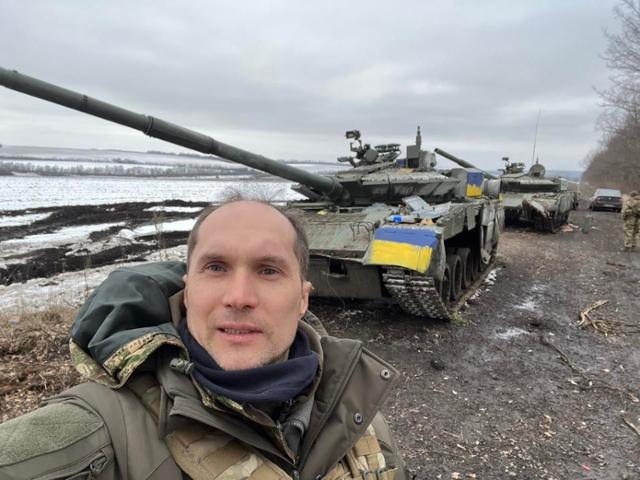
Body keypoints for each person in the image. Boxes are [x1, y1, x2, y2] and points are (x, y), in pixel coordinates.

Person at [0, 198, 409, 480]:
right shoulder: (101, 429)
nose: (239, 297)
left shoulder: (359, 414)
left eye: (268, 270)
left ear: (303, 298)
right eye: (216, 267)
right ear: (187, 290)